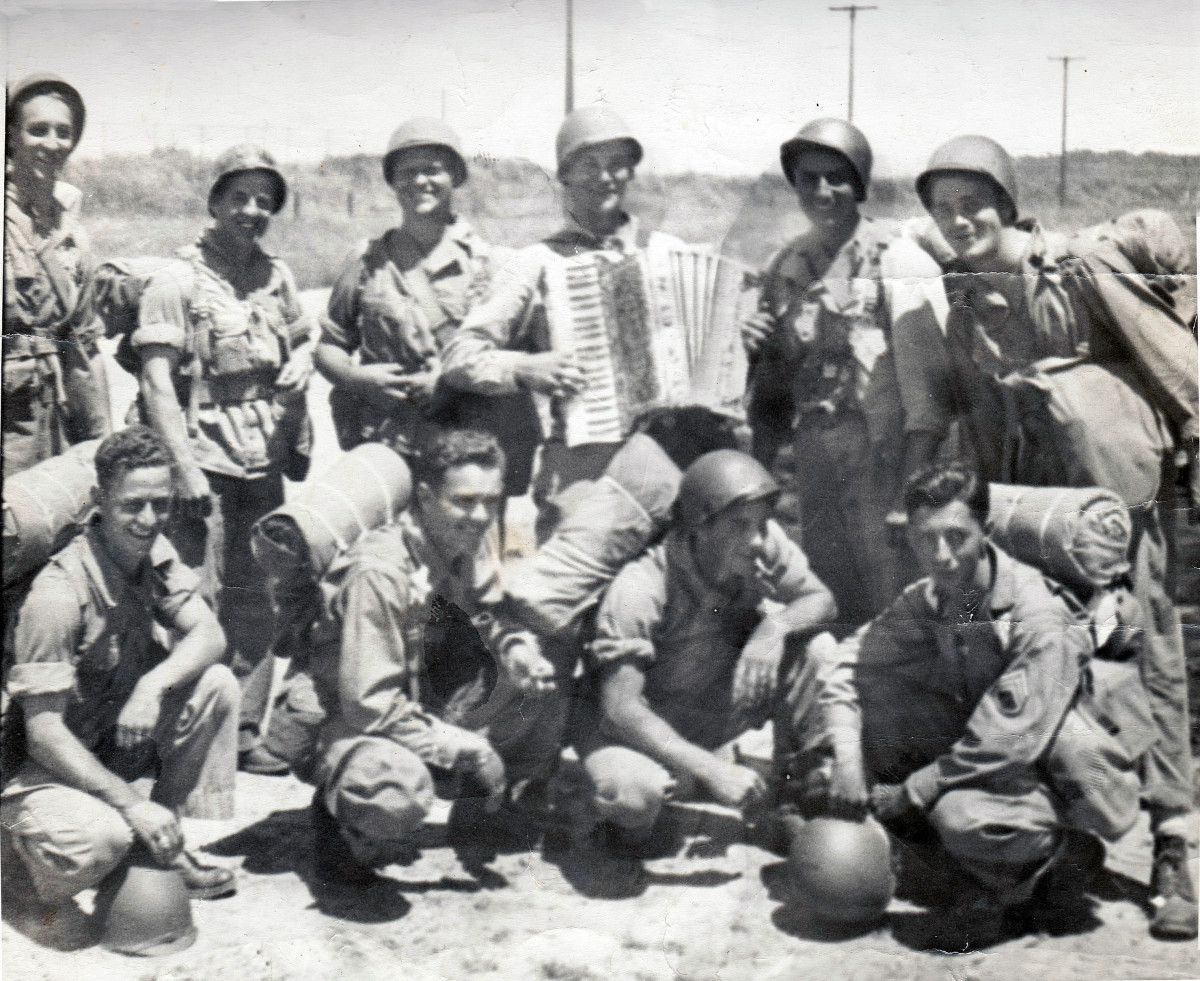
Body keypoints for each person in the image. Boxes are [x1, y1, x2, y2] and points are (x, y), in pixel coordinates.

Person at [901, 137, 1197, 940]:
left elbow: (1169, 347)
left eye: (974, 204)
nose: (959, 221)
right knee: (1045, 653)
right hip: (1030, 506)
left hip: (1116, 502)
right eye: (943, 209)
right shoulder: (963, 297)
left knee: (1151, 651)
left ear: (1007, 199)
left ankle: (1174, 842)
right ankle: (1062, 835)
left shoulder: (1075, 268)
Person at [820, 463, 1167, 940]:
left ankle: (1060, 861)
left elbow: (1008, 736)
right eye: (926, 539)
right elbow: (849, 663)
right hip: (1000, 748)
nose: (940, 555)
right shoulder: (950, 596)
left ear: (984, 531)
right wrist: (845, 759)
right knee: (882, 702)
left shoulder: (1036, 616)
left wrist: (915, 790)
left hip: (1063, 765)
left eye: (956, 536)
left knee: (958, 817)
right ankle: (996, 860)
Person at [262, 429, 565, 886]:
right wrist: (463, 747)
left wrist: (515, 650)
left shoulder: (452, 544)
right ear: (424, 496)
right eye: (464, 501)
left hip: (414, 693)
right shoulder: (380, 573)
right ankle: (343, 827)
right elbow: (368, 704)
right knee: (394, 792)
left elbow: (476, 617)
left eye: (490, 500)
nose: (480, 515)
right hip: (341, 717)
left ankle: (477, 814)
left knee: (540, 687)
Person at [442, 105, 712, 544]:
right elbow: (460, 355)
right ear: (564, 177)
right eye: (589, 165)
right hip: (583, 466)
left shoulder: (670, 252)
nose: (605, 177)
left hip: (667, 458)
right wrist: (523, 369)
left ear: (631, 173)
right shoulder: (534, 262)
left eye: (617, 165)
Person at [131, 145, 316, 776]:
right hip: (200, 457)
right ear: (213, 203)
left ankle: (239, 728)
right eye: (239, 197)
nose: (252, 210)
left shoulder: (278, 277)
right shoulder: (177, 279)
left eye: (265, 200)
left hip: (260, 454)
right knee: (192, 592)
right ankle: (182, 730)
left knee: (258, 590)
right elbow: (157, 382)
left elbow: (300, 341)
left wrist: (301, 364)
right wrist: (181, 468)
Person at [1, 426, 237, 905]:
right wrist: (130, 803)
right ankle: (13, 862)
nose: (149, 520)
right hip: (36, 768)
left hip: (101, 741)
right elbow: (44, 735)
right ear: (98, 500)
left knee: (215, 684)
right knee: (98, 842)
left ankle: (159, 845)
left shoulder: (152, 552)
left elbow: (209, 633)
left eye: (161, 504)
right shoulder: (57, 595)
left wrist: (152, 686)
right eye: (132, 505)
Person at [575, 450, 838, 852]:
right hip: (635, 730)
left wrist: (773, 629)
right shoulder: (641, 587)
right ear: (701, 525)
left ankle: (793, 796)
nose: (757, 539)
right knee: (635, 797)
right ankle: (622, 823)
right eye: (739, 525)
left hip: (707, 707)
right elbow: (620, 709)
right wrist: (711, 768)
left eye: (763, 523)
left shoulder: (761, 544)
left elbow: (821, 599)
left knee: (816, 650)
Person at [741, 119, 941, 627]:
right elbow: (771, 393)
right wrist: (753, 344)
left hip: (882, 454)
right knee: (830, 590)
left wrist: (911, 486)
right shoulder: (785, 265)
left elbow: (931, 397)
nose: (822, 191)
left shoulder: (898, 259)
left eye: (837, 178)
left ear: (860, 185)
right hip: (816, 458)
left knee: (895, 591)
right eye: (808, 179)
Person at [314, 118, 538, 494]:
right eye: (408, 172)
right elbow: (330, 344)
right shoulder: (367, 261)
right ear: (393, 183)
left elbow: (516, 359)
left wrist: (451, 380)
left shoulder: (492, 263)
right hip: (391, 444)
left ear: (455, 177)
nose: (420, 182)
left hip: (471, 455)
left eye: (433, 170)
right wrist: (357, 380)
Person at [4, 73, 110, 480]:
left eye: (63, 132)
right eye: (37, 130)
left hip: (59, 417)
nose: (52, 143)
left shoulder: (71, 232)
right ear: (10, 136)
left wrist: (103, 441)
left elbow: (84, 343)